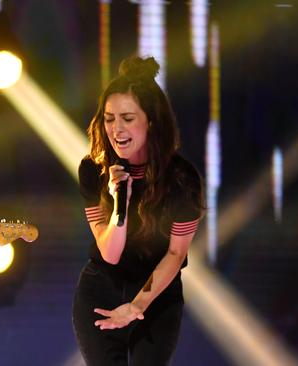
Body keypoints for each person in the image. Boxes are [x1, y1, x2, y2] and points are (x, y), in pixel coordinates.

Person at [72, 56, 204, 365]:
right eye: (109, 118)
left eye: (127, 118)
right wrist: (120, 201)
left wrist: (137, 305)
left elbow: (175, 255)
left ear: (152, 121)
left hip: (156, 296)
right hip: (100, 293)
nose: (116, 129)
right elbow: (111, 254)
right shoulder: (94, 170)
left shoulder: (182, 179)